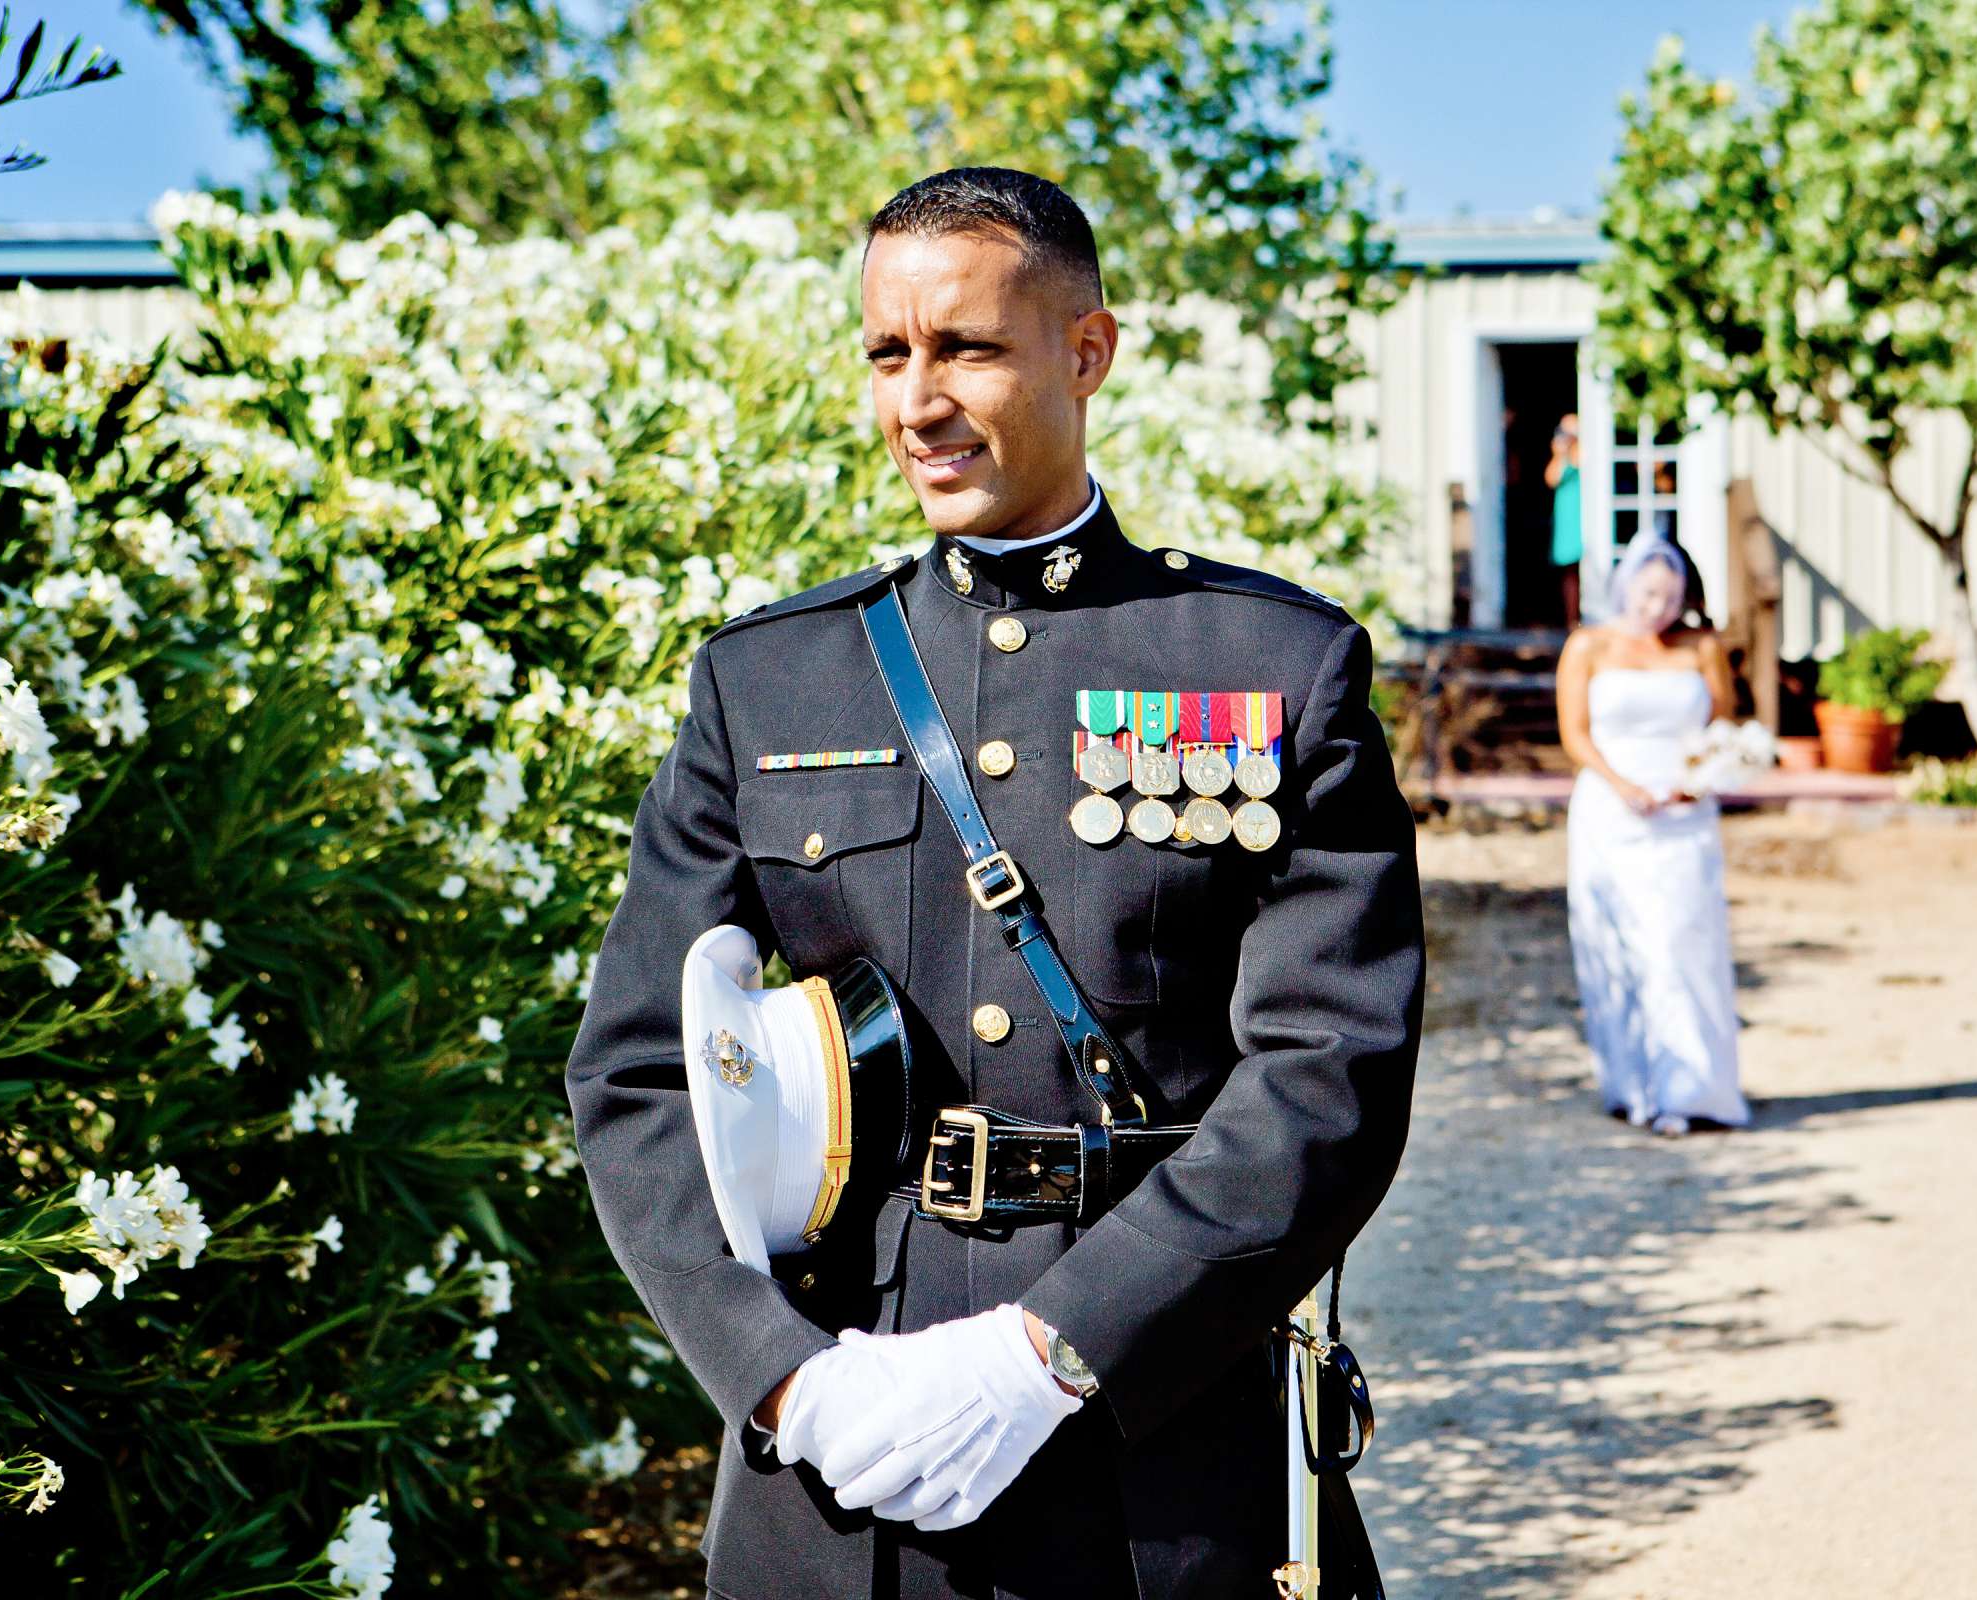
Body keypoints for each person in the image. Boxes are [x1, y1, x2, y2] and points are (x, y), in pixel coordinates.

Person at [564, 165, 1424, 1599]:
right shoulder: (768, 682)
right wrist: (781, 1381)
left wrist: (1055, 1350)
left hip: (1162, 1429)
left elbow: (1330, 1075)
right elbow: (637, 1071)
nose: (918, 401)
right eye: (888, 355)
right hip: (849, 1436)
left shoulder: (1269, 668)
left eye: (966, 347)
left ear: (1086, 352)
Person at [1554, 530, 1749, 1137]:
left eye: (1668, 597)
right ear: (1626, 587)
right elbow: (1575, 734)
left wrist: (1699, 780)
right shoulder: (1589, 646)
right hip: (1612, 812)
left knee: (1680, 944)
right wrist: (1622, 784)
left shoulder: (1701, 648)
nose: (1656, 608)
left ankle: (1693, 1089)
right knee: (1621, 942)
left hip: (1683, 812)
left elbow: (1724, 725)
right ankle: (1634, 1085)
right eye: (1647, 593)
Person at [1545, 414, 1584, 629]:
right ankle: (1572, 619)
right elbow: (1551, 478)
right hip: (1567, 514)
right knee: (1569, 571)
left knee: (1586, 566)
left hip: (1584, 513)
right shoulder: (1561, 455)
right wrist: (1560, 454)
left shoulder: (1584, 451)